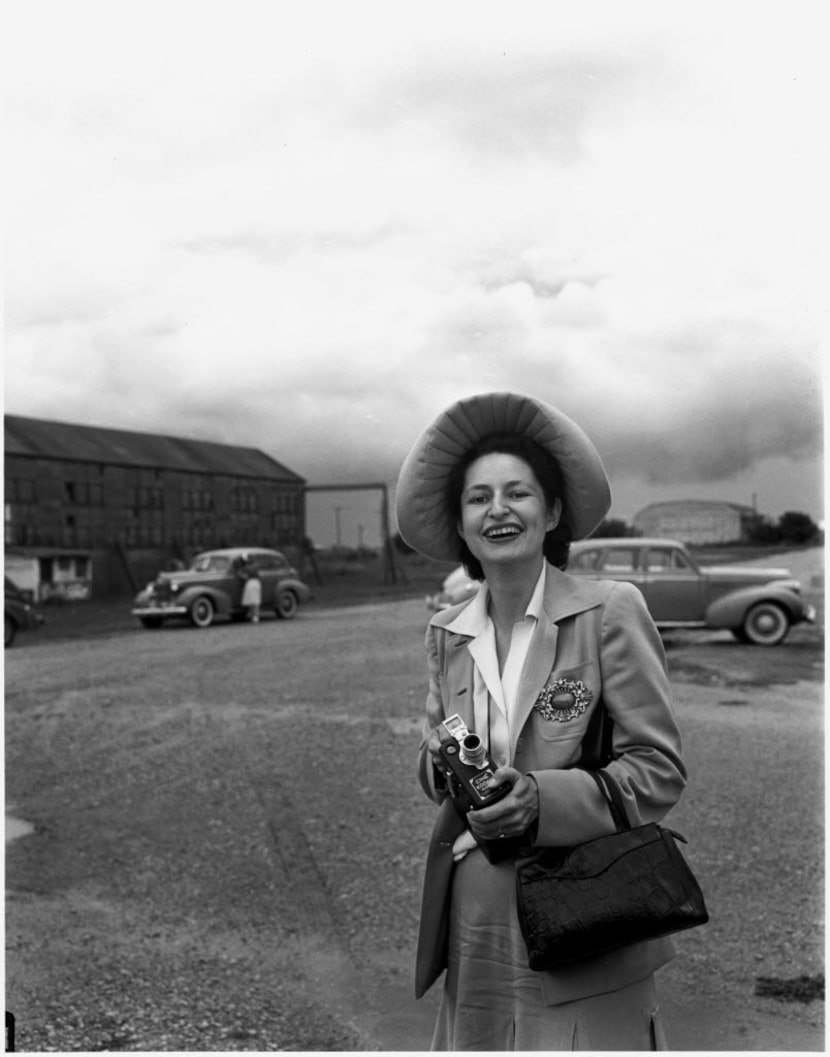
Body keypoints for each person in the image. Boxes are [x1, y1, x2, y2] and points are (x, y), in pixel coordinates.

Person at [395, 392, 686, 1051]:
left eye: (518, 492)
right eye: (479, 498)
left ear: (551, 511)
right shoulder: (447, 632)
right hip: (476, 918)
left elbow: (659, 770)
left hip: (585, 917)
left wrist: (539, 801)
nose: (498, 509)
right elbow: (432, 756)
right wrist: (445, 764)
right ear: (461, 525)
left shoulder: (610, 610)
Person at [235, 553, 262, 623]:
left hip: (250, 583)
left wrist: (239, 573)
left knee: (252, 601)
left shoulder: (247, 567)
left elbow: (244, 576)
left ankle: (254, 616)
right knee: (255, 600)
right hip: (257, 583)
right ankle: (255, 616)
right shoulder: (256, 566)